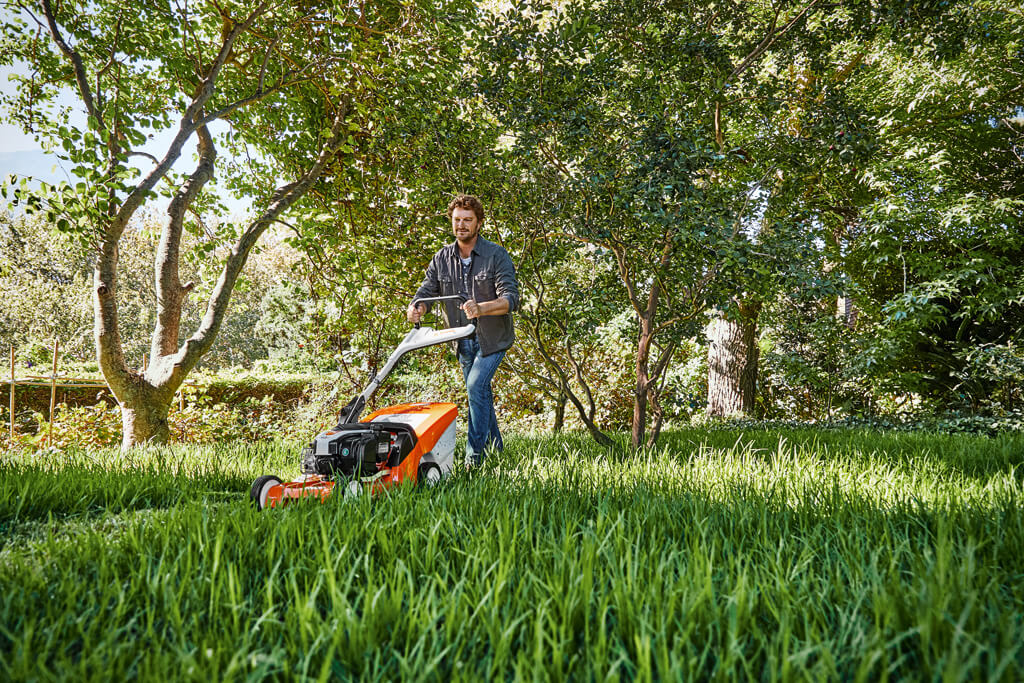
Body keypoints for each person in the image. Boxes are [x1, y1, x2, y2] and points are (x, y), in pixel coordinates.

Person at [407, 194, 519, 465]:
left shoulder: (496, 255)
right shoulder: (442, 257)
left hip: (493, 339)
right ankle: (497, 451)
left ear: (478, 223)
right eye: (457, 220)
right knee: (478, 393)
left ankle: (474, 459)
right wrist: (416, 306)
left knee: (475, 386)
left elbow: (511, 299)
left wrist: (481, 308)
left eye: (467, 220)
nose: (461, 225)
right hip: (461, 340)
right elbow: (427, 290)